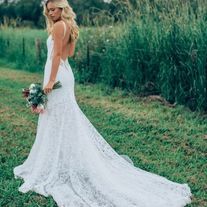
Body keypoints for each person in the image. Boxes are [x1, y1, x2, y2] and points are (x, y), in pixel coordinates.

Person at [13, 0, 193, 206]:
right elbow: (68, 54)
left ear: (63, 8)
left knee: (58, 117)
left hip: (58, 76)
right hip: (65, 73)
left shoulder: (58, 26)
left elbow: (55, 55)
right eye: (49, 9)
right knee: (62, 117)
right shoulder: (67, 25)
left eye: (54, 9)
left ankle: (60, 162)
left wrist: (51, 80)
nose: (51, 12)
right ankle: (64, 160)